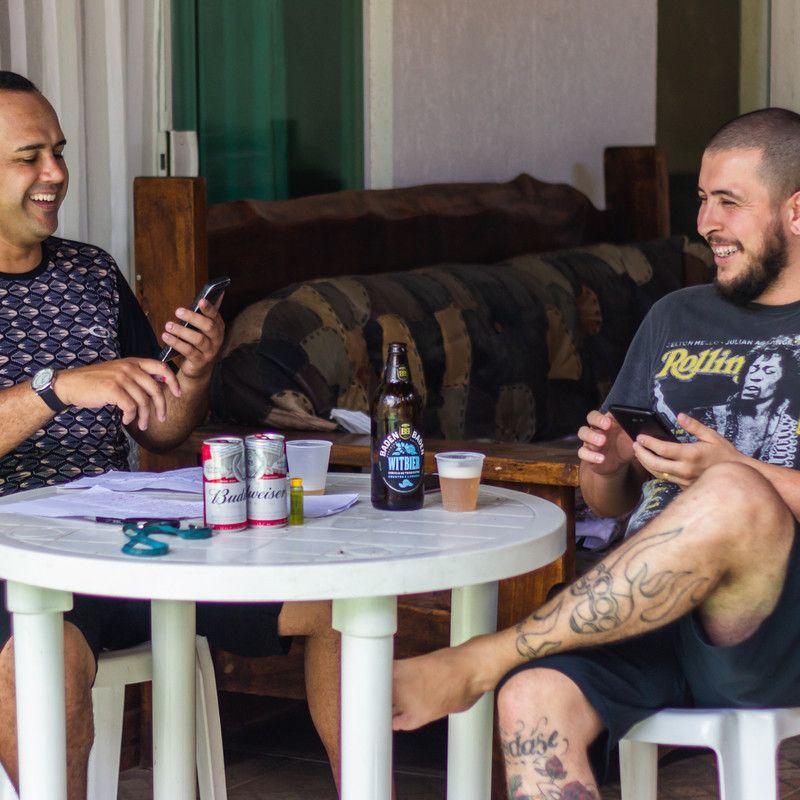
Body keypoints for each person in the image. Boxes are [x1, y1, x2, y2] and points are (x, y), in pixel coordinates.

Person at [392, 106, 800, 799]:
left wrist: (733, 473)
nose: (706, 224)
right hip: (642, 608)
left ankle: (483, 658)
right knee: (533, 703)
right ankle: (505, 668)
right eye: (702, 200)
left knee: (731, 495)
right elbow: (609, 503)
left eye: (729, 203)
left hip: (766, 628)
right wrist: (608, 465)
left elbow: (735, 490)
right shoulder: (676, 316)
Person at [0, 71, 341, 799]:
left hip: (127, 545)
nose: (55, 173)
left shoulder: (89, 272)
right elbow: (60, 393)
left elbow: (161, 434)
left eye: (58, 151)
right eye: (29, 157)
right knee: (41, 655)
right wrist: (54, 388)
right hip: (19, 566)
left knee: (340, 605)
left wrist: (191, 374)